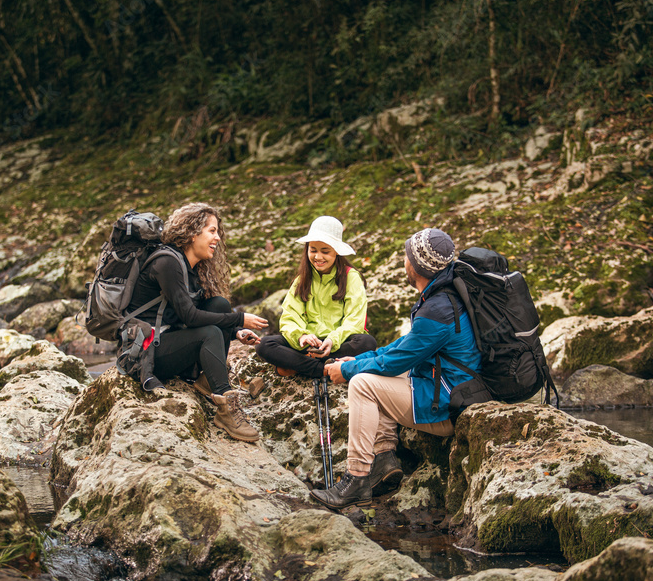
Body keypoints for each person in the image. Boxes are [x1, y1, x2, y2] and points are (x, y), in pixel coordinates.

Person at [309, 228, 482, 510]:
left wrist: (350, 371)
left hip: (451, 405)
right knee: (372, 371)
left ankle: (356, 480)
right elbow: (406, 347)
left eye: (407, 256)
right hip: (454, 387)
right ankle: (384, 457)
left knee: (363, 384)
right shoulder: (445, 294)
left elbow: (396, 362)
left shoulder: (438, 310)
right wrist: (360, 360)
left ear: (417, 266)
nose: (404, 261)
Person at [126, 202, 268, 443]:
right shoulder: (167, 263)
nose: (218, 238)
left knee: (220, 304)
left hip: (169, 341)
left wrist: (236, 331)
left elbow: (198, 314)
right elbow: (190, 317)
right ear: (192, 233)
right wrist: (240, 318)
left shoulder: (189, 266)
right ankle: (225, 410)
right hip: (146, 353)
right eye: (212, 231)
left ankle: (208, 380)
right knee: (210, 332)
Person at [255, 216, 377, 379]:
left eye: (325, 251)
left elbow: (355, 320)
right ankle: (324, 369)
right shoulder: (301, 280)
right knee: (264, 345)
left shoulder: (351, 277)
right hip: (308, 345)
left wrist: (333, 340)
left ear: (337, 251)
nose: (318, 257)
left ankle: (299, 366)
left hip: (337, 343)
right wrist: (302, 336)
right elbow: (290, 317)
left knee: (367, 343)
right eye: (313, 250)